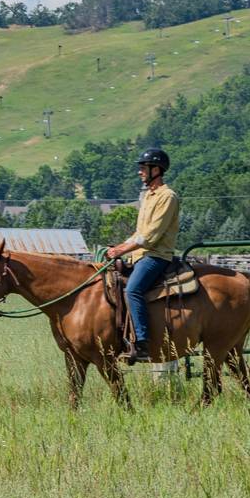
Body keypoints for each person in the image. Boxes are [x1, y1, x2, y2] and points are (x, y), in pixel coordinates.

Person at [105, 147, 180, 364]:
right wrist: (118, 248)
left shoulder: (168, 196)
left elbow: (150, 236)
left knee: (133, 290)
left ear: (156, 170)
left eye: (143, 168)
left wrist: (120, 250)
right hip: (139, 256)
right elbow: (139, 232)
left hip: (156, 256)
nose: (140, 172)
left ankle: (142, 342)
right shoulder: (148, 196)